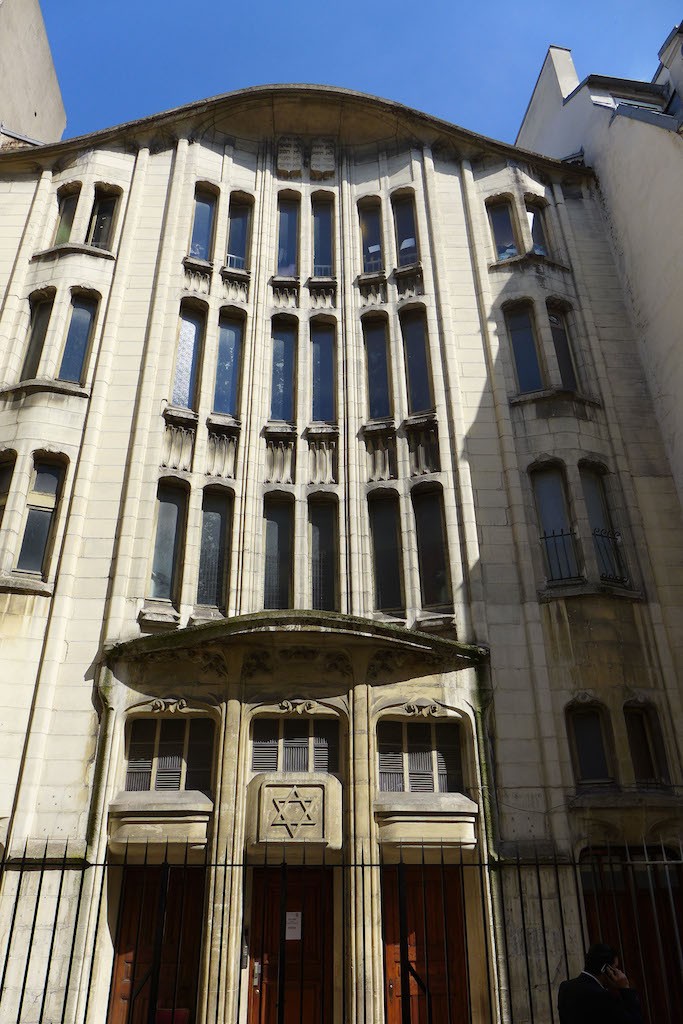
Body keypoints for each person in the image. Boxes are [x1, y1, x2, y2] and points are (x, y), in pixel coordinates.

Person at [558, 943, 644, 1024]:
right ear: (606, 969)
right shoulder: (603, 996)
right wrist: (625, 988)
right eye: (615, 968)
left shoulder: (565, 987)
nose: (618, 972)